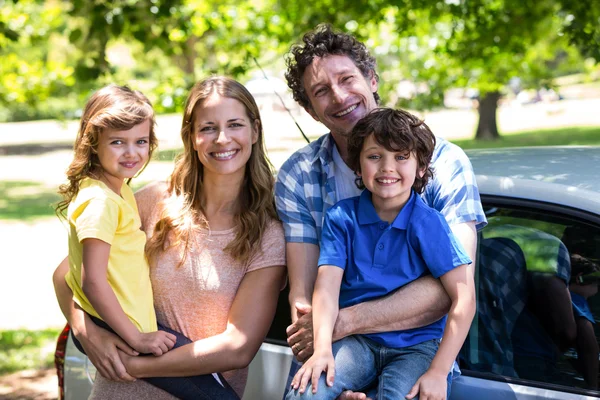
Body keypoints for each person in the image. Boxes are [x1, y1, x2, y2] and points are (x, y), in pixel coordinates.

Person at [275, 24, 487, 399]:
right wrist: (325, 361)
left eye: (347, 79)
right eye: (321, 91)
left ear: (371, 79)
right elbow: (306, 297)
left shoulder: (444, 164)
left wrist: (348, 321)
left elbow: (453, 291)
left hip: (417, 350)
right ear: (309, 109)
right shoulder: (301, 178)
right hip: (343, 349)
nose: (339, 97)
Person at [53, 76, 286, 399]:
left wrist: (135, 365)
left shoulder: (267, 233)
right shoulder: (151, 202)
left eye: (235, 125)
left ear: (255, 131)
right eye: (207, 128)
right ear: (191, 137)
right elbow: (67, 276)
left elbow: (237, 348)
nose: (222, 139)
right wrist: (86, 331)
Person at [286, 108, 475, 400]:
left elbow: (464, 299)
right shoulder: (341, 218)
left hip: (417, 346)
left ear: (421, 167)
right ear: (358, 168)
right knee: (305, 392)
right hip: (357, 342)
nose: (388, 167)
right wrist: (322, 350)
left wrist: (439, 371)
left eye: (401, 157)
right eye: (375, 157)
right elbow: (326, 288)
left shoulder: (428, 223)